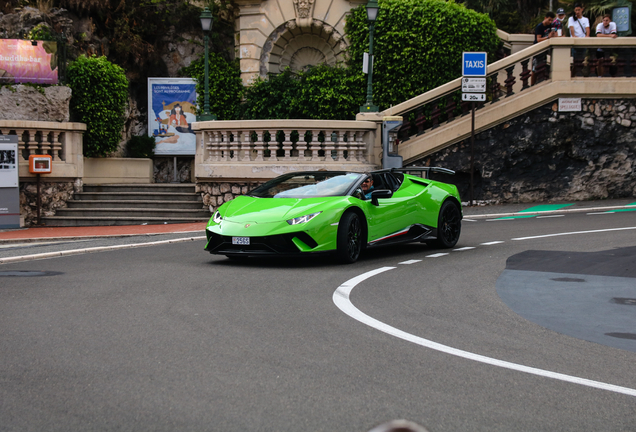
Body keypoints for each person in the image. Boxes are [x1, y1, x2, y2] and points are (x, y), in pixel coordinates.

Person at [532, 12, 556, 85]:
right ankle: (532, 84)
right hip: (538, 49)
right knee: (535, 68)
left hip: (545, 50)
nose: (550, 22)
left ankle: (540, 82)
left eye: (551, 20)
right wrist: (548, 37)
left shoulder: (550, 26)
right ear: (545, 18)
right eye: (549, 20)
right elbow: (538, 39)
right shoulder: (540, 27)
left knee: (542, 66)